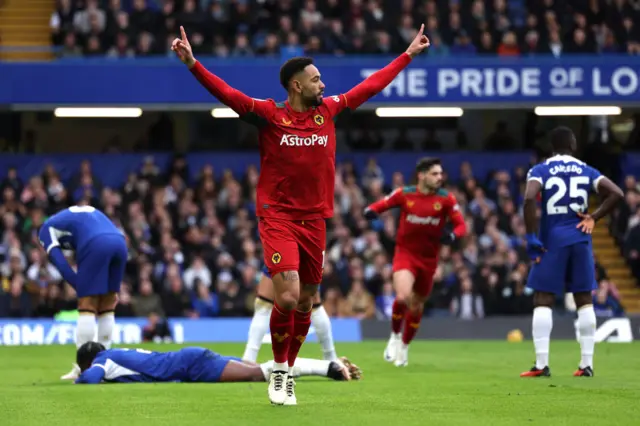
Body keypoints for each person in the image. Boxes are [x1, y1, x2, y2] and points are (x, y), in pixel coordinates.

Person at [171, 25, 429, 405]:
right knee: (288, 297)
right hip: (277, 218)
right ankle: (278, 371)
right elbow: (228, 95)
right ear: (296, 85)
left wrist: (407, 55)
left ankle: (287, 371)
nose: (322, 84)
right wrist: (194, 65)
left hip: (315, 221)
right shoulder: (269, 115)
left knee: (307, 301)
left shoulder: (329, 110)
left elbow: (371, 86)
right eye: (315, 79)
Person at [521, 126, 623, 378]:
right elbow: (617, 193)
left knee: (543, 299)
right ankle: (586, 365)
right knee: (584, 299)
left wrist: (531, 236)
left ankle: (542, 364)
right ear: (573, 145)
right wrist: (594, 217)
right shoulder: (586, 169)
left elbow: (528, 198)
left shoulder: (540, 169)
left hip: (553, 239)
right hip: (581, 238)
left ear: (551, 147)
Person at [364, 157, 466, 366]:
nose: (440, 177)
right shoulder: (405, 193)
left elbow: (461, 225)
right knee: (402, 297)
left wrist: (453, 236)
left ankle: (404, 345)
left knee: (417, 306)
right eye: (435, 174)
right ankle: (393, 337)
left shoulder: (446, 199)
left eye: (441, 174)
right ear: (422, 175)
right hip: (405, 254)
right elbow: (384, 203)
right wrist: (371, 210)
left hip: (429, 259)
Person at [38, 205, 128, 380]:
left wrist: (80, 287)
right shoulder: (75, 217)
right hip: (119, 242)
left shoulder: (45, 230)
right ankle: (105, 368)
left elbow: (60, 264)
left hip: (95, 243)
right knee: (107, 305)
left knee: (87, 305)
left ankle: (84, 369)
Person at [74, 342, 361, 384]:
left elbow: (90, 379)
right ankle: (330, 363)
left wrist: (79, 377)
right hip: (190, 357)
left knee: (257, 374)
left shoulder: (102, 360)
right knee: (260, 367)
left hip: (191, 366)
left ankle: (329, 368)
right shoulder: (113, 352)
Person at [242, 266, 337, 363]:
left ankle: (249, 358)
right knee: (314, 305)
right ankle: (331, 357)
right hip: (308, 255)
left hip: (283, 253)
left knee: (264, 305)